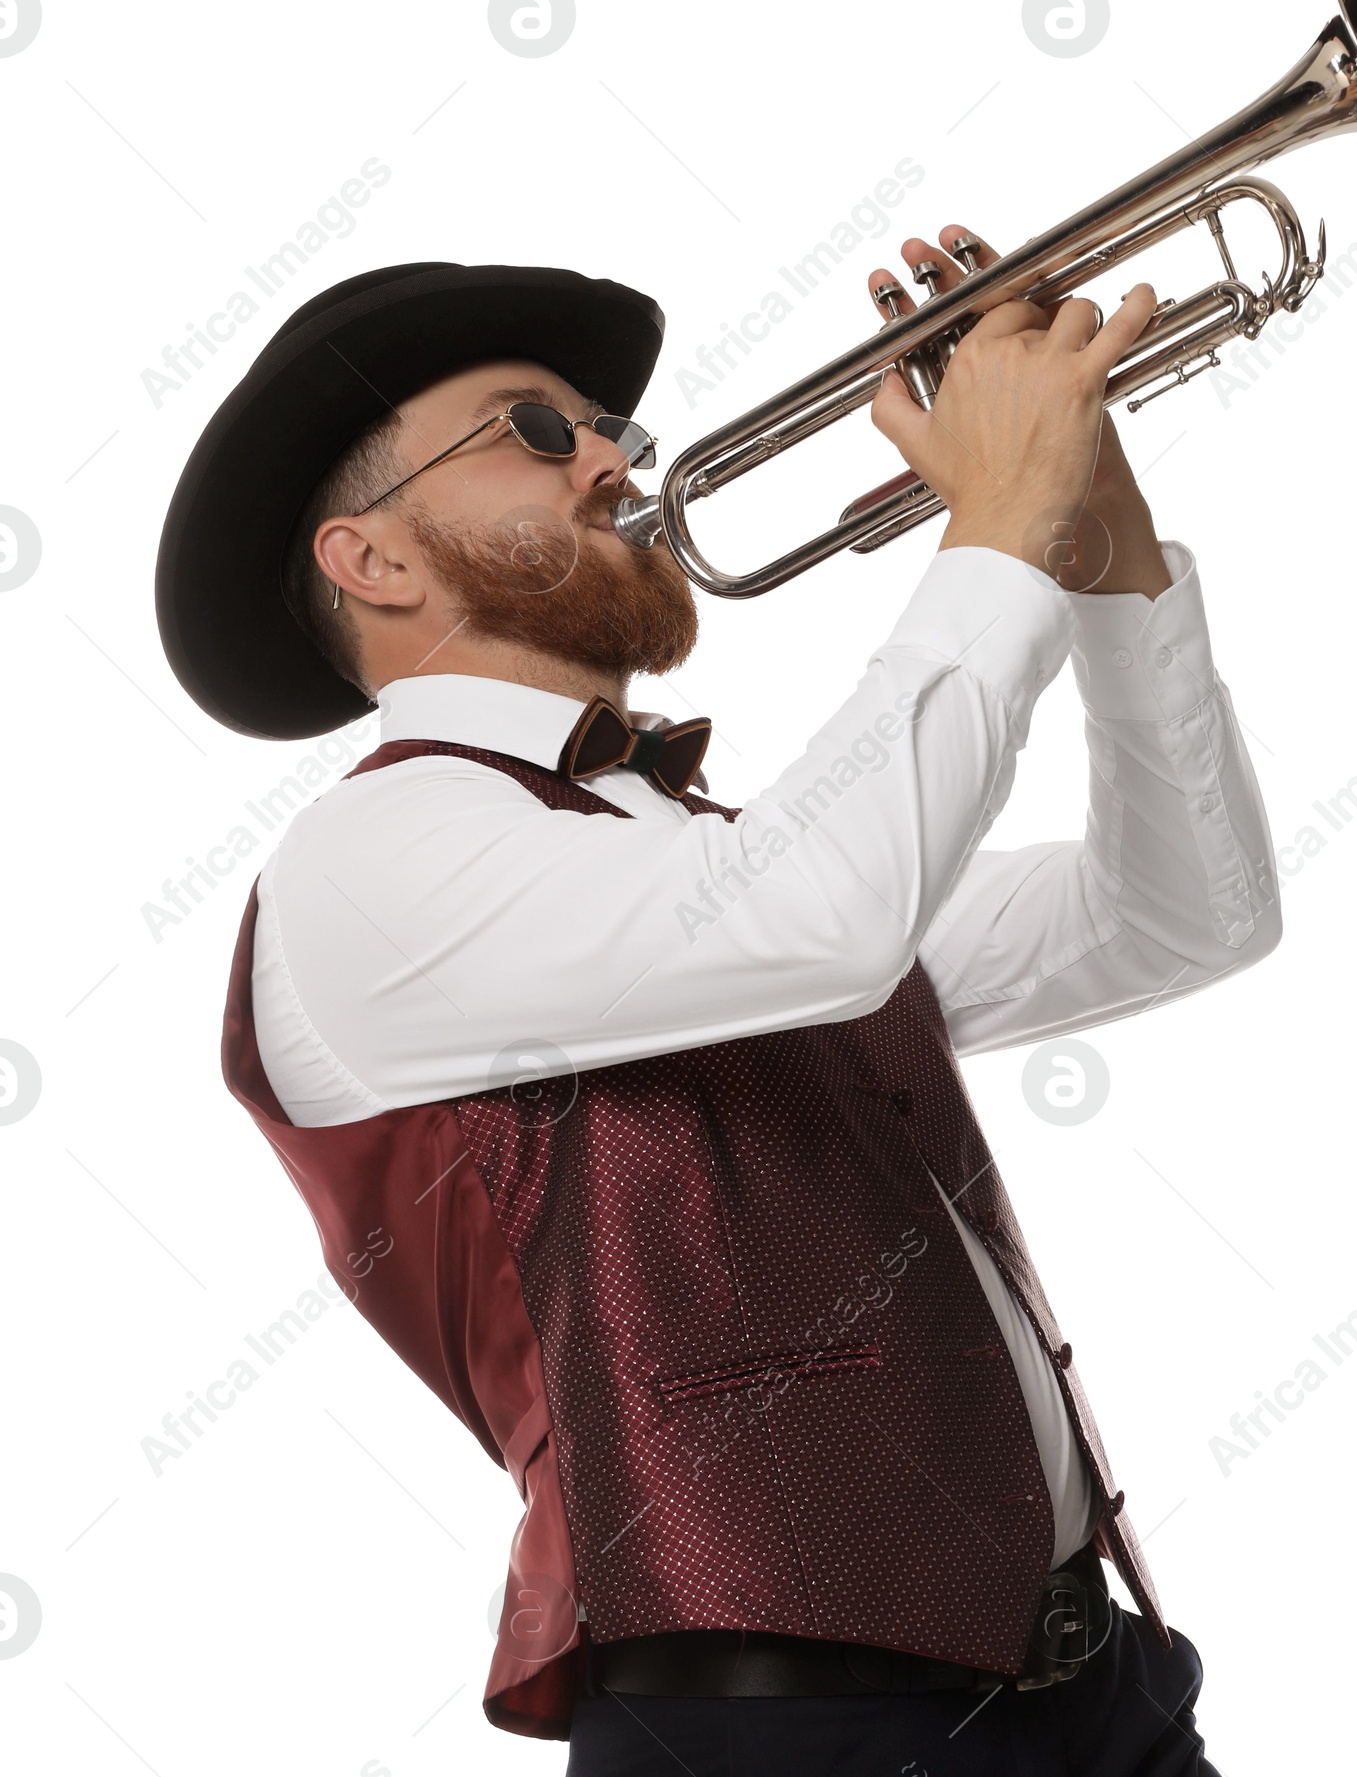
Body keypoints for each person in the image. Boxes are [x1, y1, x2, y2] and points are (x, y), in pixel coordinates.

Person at [155, 232, 1279, 1775]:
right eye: (537, 429)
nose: (614, 458)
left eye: (610, 426)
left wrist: (1103, 550)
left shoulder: (728, 854)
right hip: (769, 1733)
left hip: (1101, 1690)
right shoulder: (367, 857)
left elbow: (1178, 914)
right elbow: (825, 918)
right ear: (378, 559)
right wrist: (1001, 516)